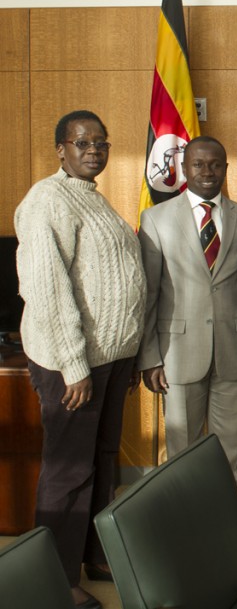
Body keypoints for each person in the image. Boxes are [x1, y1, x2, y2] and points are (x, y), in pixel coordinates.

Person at [15, 110, 146, 609]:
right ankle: (57, 576)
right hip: (74, 367)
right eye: (82, 142)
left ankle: (92, 555)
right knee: (69, 471)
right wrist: (74, 364)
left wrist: (128, 355)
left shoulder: (93, 199)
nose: (94, 149)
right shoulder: (46, 200)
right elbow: (47, 290)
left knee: (102, 459)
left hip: (110, 361)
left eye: (101, 142)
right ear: (60, 150)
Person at [137, 136, 237, 555]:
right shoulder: (155, 219)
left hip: (233, 351)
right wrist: (151, 356)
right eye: (198, 165)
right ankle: (185, 536)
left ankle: (232, 532)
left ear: (226, 168)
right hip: (177, 354)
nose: (207, 173)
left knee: (233, 449)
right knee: (182, 450)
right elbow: (150, 294)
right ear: (184, 168)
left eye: (215, 165)